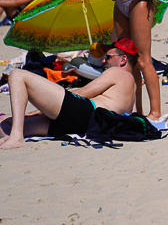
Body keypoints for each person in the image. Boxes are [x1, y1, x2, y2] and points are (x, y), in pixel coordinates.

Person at [0, 38, 138, 150]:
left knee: (17, 75)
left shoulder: (118, 72)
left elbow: (83, 93)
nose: (103, 60)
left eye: (108, 57)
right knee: (4, 124)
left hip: (84, 113)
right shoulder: (133, 88)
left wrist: (38, 111)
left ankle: (17, 137)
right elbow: (134, 116)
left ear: (123, 59)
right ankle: (15, 133)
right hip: (84, 126)